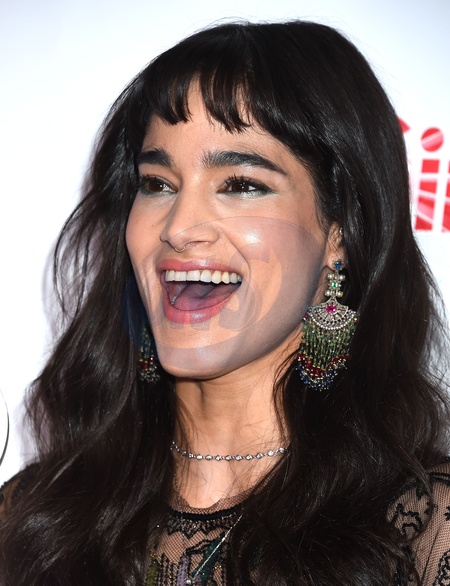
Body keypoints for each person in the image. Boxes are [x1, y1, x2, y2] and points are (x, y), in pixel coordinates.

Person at [0, 20, 449, 586]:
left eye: (240, 184)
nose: (178, 227)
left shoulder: (421, 529)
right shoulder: (33, 517)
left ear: (339, 232)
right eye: (157, 183)